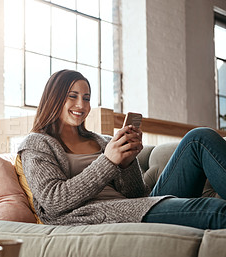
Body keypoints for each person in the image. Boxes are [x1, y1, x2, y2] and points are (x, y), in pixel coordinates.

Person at [17, 69, 226, 229]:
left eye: (87, 98)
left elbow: (136, 195)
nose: (81, 105)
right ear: (53, 98)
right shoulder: (36, 143)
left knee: (198, 138)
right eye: (73, 96)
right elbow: (54, 201)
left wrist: (127, 163)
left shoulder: (104, 141)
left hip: (136, 206)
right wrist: (108, 162)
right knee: (215, 211)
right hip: (100, 214)